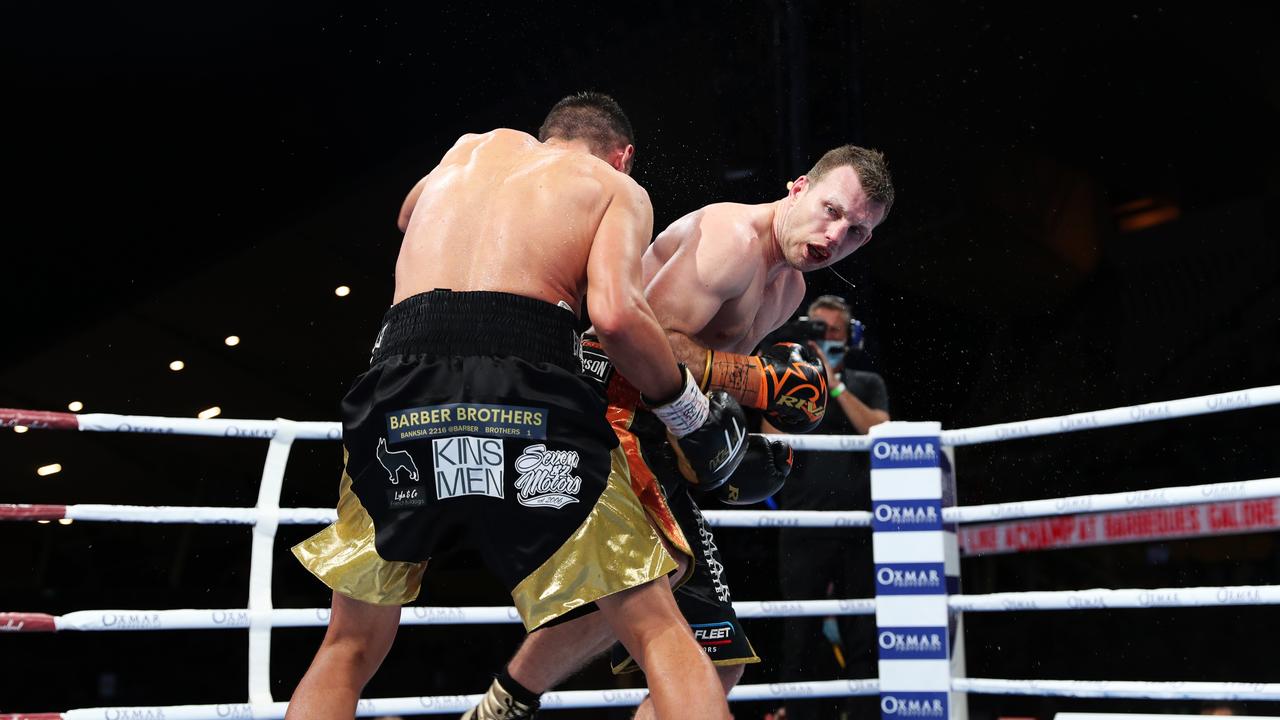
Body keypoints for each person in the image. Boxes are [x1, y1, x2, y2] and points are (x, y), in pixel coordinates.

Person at [285, 92, 750, 720]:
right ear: (624, 156)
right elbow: (615, 316)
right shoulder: (614, 187)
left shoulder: (471, 150)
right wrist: (686, 409)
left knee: (348, 645)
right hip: (525, 391)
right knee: (660, 630)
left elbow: (407, 215)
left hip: (397, 387)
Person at [464, 145, 895, 719]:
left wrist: (729, 447)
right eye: (831, 210)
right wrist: (757, 382)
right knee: (673, 606)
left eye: (857, 231)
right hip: (602, 421)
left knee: (709, 653)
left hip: (651, 436)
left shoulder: (789, 289)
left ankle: (503, 705)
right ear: (798, 189)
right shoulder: (731, 239)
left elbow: (700, 386)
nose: (836, 234)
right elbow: (635, 342)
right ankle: (505, 704)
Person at [769, 294, 891, 720]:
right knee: (800, 627)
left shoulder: (866, 382)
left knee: (862, 626)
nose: (823, 339)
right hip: (803, 524)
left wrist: (835, 383)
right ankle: (801, 713)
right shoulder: (792, 381)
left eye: (832, 332)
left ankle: (862, 714)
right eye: (816, 330)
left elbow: (881, 432)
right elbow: (771, 437)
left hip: (860, 526)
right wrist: (802, 380)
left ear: (849, 336)